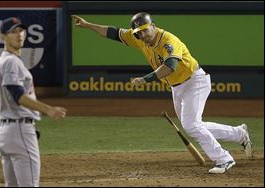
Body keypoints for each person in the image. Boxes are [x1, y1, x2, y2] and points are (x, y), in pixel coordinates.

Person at [72, 13, 253, 174]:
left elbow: (170, 66)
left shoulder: (168, 41)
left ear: (153, 26)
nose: (142, 35)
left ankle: (224, 159)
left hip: (194, 82)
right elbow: (113, 32)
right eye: (138, 33)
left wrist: (145, 79)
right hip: (177, 87)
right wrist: (88, 25)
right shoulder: (139, 37)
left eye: (144, 30)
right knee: (194, 125)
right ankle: (239, 134)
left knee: (191, 125)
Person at [0, 17, 67, 187]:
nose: (19, 35)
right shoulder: (11, 62)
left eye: (20, 30)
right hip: (19, 131)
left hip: (3, 133)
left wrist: (5, 117)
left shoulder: (1, 62)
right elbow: (18, 95)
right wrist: (48, 109)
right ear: (3, 37)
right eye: (13, 32)